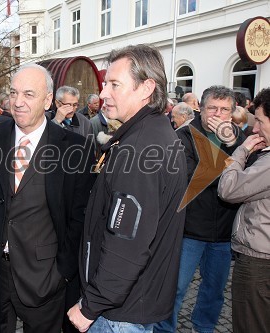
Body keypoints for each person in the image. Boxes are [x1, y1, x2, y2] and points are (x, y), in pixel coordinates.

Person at [0, 63, 95, 333]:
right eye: (14, 93)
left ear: (48, 100)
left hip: (46, 279)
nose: (18, 102)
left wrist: (62, 273)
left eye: (29, 94)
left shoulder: (75, 148)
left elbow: (80, 217)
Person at [67, 44, 188, 333]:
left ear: (146, 88)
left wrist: (90, 306)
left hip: (118, 314)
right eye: (104, 83)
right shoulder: (154, 134)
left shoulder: (140, 150)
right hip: (133, 303)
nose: (103, 93)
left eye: (114, 84)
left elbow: (127, 243)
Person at [155, 85, 246, 333]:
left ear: (232, 112)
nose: (218, 114)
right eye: (212, 108)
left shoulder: (241, 139)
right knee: (175, 288)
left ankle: (204, 328)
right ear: (200, 110)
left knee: (214, 291)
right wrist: (232, 156)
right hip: (189, 231)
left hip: (224, 233)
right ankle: (165, 329)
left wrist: (233, 145)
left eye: (225, 109)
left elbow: (250, 179)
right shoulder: (182, 137)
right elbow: (191, 176)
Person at [218, 87, 270, 333]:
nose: (256, 128)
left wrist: (241, 151)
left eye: (259, 120)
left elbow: (228, 189)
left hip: (258, 262)